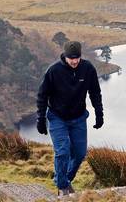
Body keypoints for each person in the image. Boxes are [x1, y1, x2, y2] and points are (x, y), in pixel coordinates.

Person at [36, 41, 103, 196]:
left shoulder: (88, 69)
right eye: (71, 58)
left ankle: (64, 179)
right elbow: (42, 95)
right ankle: (63, 187)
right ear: (65, 56)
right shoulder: (54, 71)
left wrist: (99, 114)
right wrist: (40, 118)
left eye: (77, 58)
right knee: (63, 151)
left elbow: (95, 92)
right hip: (57, 118)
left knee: (79, 153)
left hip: (78, 118)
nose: (74, 61)